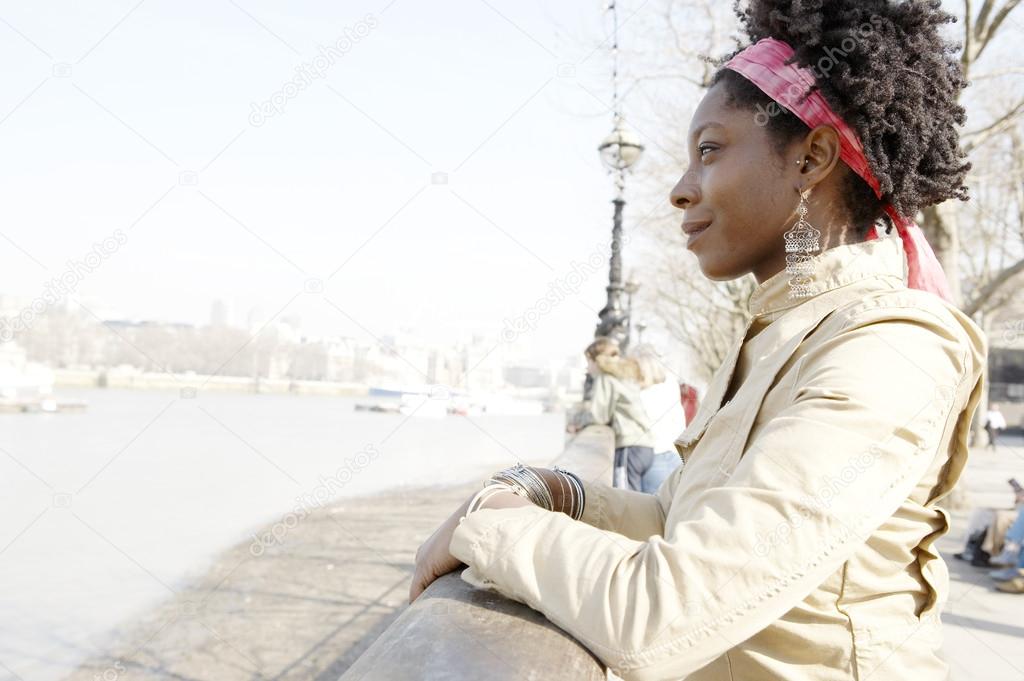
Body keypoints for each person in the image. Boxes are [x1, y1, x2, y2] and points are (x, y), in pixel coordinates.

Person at [411, 3, 987, 679]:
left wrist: (489, 528)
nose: (681, 191)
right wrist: (558, 491)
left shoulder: (891, 349)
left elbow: (663, 616)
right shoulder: (777, 332)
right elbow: (675, 518)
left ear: (812, 158)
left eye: (709, 150)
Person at [580, 337, 656, 491]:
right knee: (641, 501)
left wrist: (581, 422)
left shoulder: (605, 377)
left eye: (588, 362)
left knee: (627, 499)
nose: (587, 368)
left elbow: (599, 415)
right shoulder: (625, 374)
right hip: (645, 446)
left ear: (596, 360)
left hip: (629, 447)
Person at [630, 344, 687, 494]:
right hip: (676, 456)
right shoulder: (671, 383)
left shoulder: (640, 393)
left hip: (653, 456)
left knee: (652, 511)